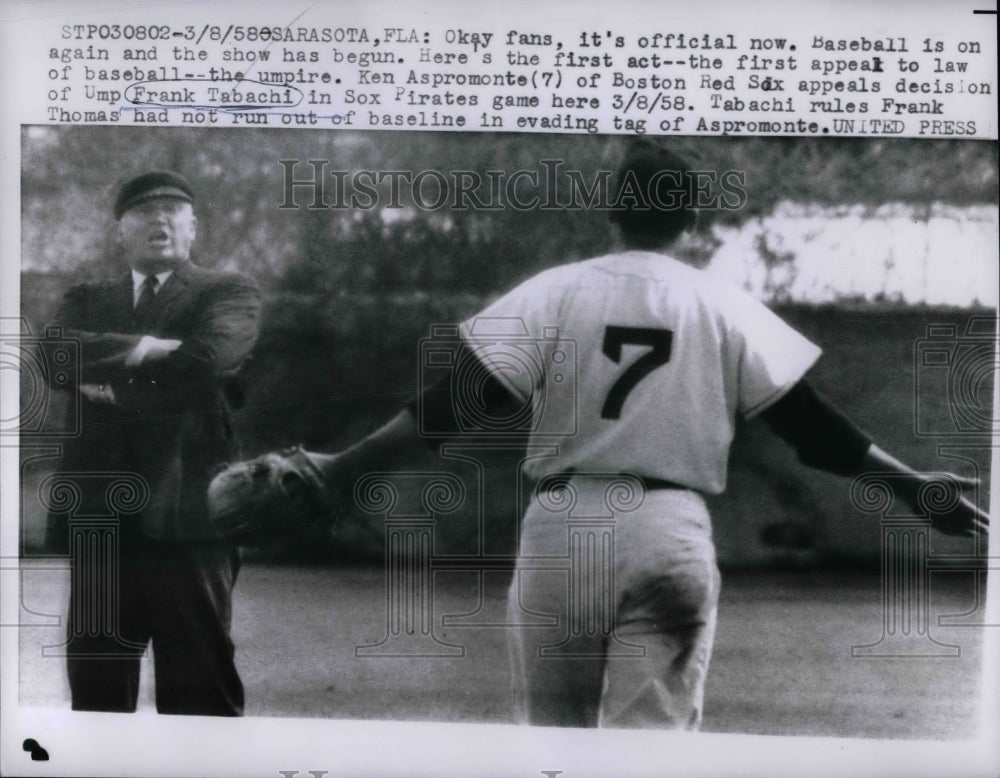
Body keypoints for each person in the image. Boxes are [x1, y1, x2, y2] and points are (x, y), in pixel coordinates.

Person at [212, 143, 987, 728]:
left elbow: (452, 407)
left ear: (611, 215)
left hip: (563, 526)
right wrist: (914, 489)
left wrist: (344, 468)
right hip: (670, 528)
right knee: (649, 753)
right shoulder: (721, 304)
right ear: (690, 221)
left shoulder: (557, 290)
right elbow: (814, 431)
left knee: (553, 748)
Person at [46, 170, 261, 715]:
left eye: (172, 209)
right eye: (143, 211)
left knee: (199, 693)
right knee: (96, 697)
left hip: (189, 517)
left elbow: (208, 359)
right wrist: (148, 346)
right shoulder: (87, 297)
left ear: (194, 228)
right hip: (101, 521)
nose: (158, 218)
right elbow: (53, 354)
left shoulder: (229, 291)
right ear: (121, 230)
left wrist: (111, 389)